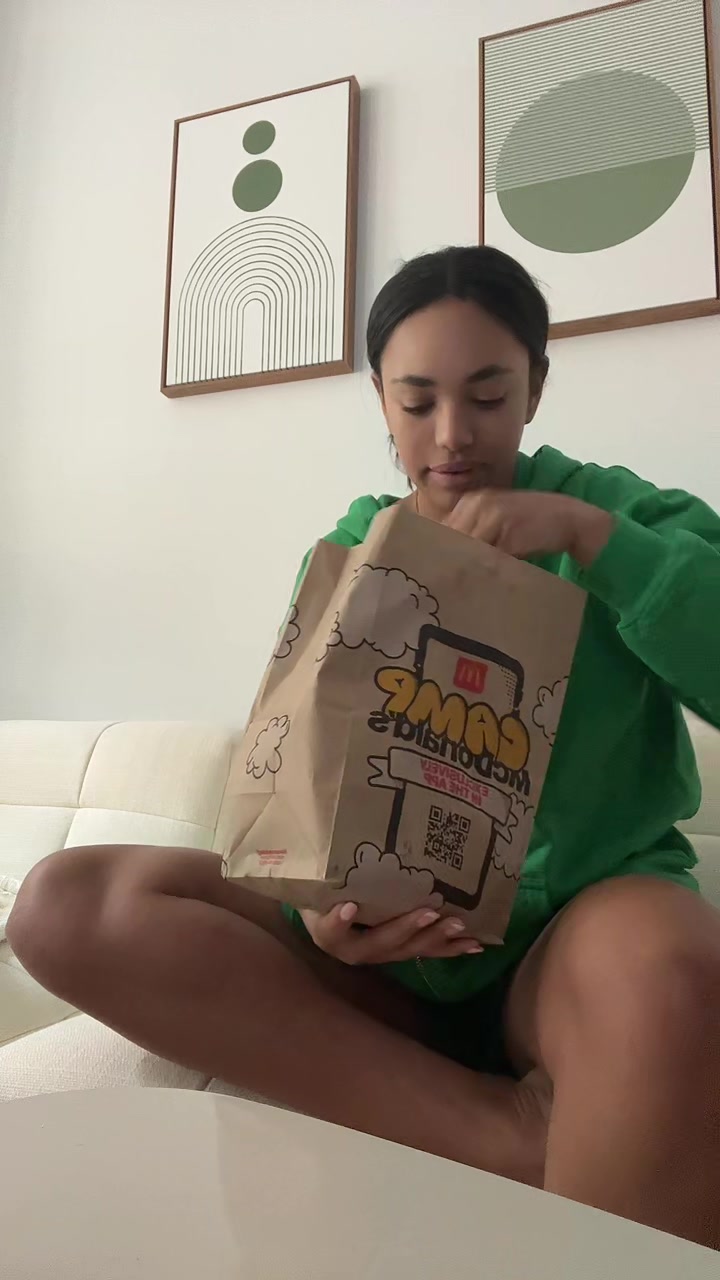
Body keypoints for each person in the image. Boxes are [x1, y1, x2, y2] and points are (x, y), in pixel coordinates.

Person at [9, 246, 720, 1249]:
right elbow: (296, 785)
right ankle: (507, 1140)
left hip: (568, 954)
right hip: (390, 967)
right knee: (65, 904)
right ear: (382, 401)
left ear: (535, 389)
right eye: (417, 400)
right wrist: (319, 912)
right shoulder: (354, 547)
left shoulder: (623, 517)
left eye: (488, 395)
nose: (452, 434)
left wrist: (590, 538)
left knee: (668, 962)